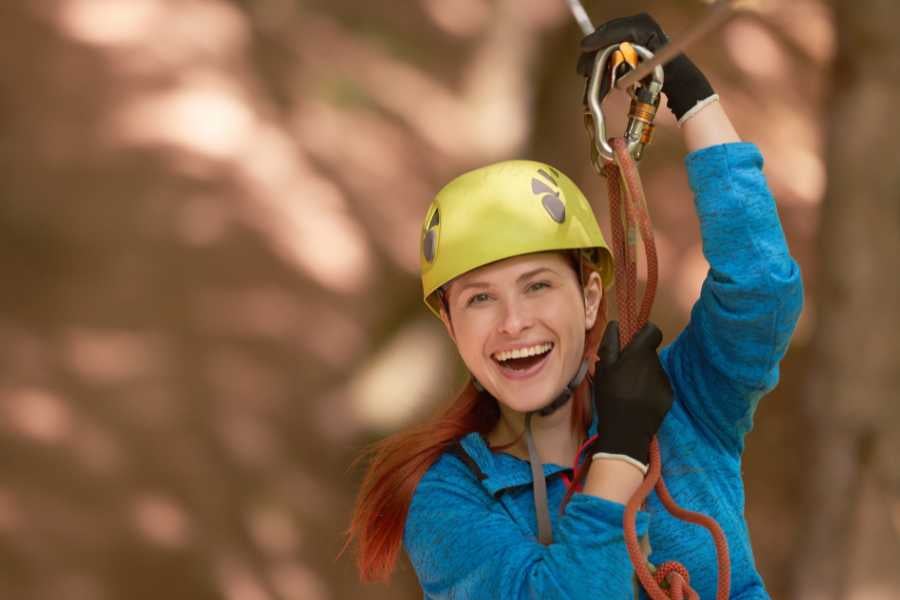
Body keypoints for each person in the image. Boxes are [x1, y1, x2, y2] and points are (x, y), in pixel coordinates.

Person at [347, 13, 803, 599]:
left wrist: (692, 99)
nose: (513, 323)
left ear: (590, 300)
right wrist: (618, 452)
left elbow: (761, 286)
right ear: (450, 325)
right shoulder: (449, 498)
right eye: (480, 299)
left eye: (538, 286)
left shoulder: (685, 403)